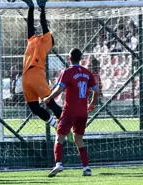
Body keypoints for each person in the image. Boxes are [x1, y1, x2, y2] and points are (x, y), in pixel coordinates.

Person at [43, 48, 99, 177]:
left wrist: (48, 98)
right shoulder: (87, 73)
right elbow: (96, 91)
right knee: (78, 139)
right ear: (81, 58)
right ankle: (86, 168)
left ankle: (58, 164)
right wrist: (92, 103)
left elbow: (59, 89)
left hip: (69, 111)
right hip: (82, 112)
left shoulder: (67, 72)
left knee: (59, 136)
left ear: (69, 58)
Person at [22, 0, 72, 141]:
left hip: (36, 73)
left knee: (50, 102)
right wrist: (31, 8)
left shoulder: (47, 42)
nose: (43, 34)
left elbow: (44, 25)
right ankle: (57, 125)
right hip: (26, 77)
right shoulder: (32, 41)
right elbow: (30, 26)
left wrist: (42, 9)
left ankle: (67, 127)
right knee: (34, 108)